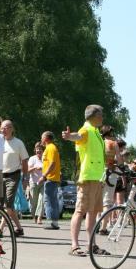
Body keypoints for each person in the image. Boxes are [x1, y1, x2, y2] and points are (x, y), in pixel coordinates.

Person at [62, 105, 106, 256]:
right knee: (80, 211)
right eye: (101, 115)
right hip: (87, 178)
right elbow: (78, 136)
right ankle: (74, 246)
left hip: (97, 178)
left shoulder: (95, 131)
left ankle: (92, 245)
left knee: (92, 212)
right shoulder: (86, 130)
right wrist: (69, 136)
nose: (102, 118)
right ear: (94, 116)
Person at [0, 119, 28, 236]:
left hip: (13, 176)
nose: (3, 130)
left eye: (6, 127)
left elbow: (24, 161)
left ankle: (0, 229)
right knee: (6, 205)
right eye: (2, 127)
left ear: (12, 129)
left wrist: (25, 178)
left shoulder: (18, 143)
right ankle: (19, 228)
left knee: (8, 204)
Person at [39, 131, 61, 230]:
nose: (41, 139)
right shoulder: (50, 148)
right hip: (51, 178)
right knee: (52, 200)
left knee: (49, 200)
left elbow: (52, 164)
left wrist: (44, 175)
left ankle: (52, 222)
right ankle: (54, 222)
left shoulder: (51, 148)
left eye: (42, 137)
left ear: (46, 138)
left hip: (51, 178)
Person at [27, 142, 44, 223]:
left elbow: (49, 169)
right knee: (34, 202)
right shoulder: (32, 159)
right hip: (33, 182)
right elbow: (28, 170)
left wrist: (42, 169)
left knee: (42, 199)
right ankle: (34, 216)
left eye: (40, 149)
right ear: (35, 150)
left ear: (43, 150)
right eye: (37, 149)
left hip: (43, 182)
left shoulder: (45, 158)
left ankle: (39, 217)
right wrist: (34, 168)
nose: (38, 151)